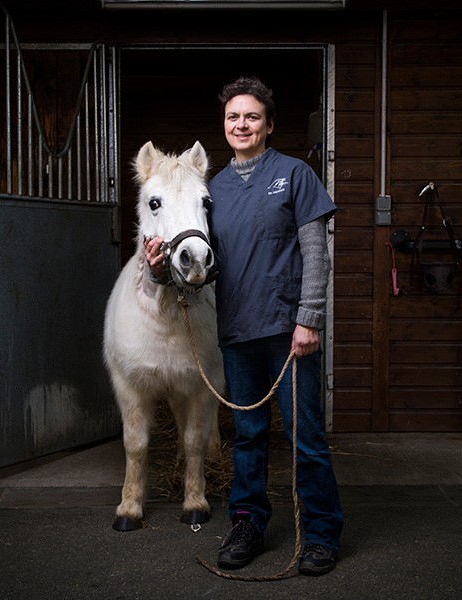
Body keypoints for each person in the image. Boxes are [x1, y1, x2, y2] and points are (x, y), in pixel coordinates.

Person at [145, 75, 343, 576]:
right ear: (224, 125)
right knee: (249, 436)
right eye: (233, 117)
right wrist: (156, 268)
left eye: (252, 116)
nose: (241, 124)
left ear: (269, 125)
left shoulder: (295, 175)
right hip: (237, 332)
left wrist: (310, 319)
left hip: (288, 331)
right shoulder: (213, 191)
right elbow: (203, 270)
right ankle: (249, 523)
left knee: (305, 436)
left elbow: (317, 255)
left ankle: (320, 534)